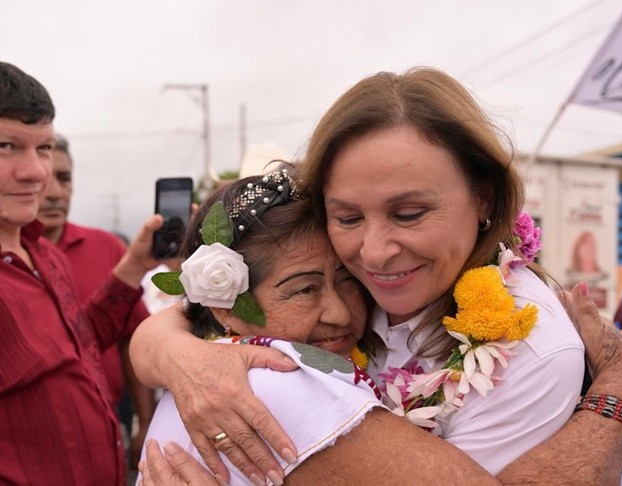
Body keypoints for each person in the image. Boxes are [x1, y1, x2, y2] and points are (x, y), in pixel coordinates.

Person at [130, 68, 622, 484]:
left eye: (409, 214)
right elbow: (175, 325)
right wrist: (182, 356)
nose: (375, 253)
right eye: (347, 217)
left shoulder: (527, 350)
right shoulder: (353, 294)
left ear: (484, 197)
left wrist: (621, 405)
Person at [138, 170, 387, 484]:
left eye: (348, 279)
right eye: (304, 290)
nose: (340, 315)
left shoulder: (200, 363)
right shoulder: (279, 383)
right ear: (223, 306)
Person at [0, 61, 163, 485]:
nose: (36, 172)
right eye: (6, 146)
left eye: (43, 147)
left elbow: (79, 343)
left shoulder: (42, 252)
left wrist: (134, 265)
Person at [36, 133, 155, 471]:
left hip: (108, 420)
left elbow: (131, 336)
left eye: (64, 178)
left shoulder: (108, 248)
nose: (55, 193)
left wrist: (146, 423)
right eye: (43, 179)